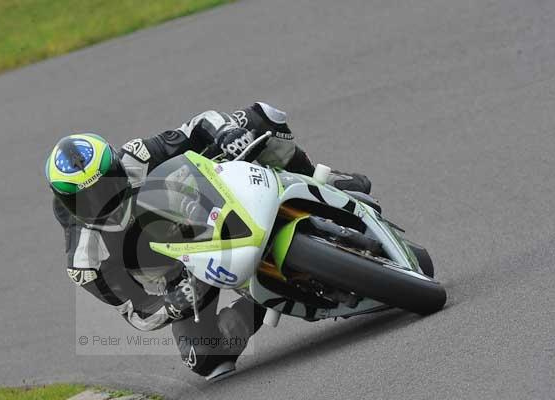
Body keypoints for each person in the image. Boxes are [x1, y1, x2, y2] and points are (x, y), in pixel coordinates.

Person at [45, 102, 371, 380]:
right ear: (67, 203)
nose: (102, 201)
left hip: (204, 206)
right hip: (181, 275)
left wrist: (225, 134)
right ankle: (260, 299)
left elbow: (198, 124)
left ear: (116, 164)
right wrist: (170, 305)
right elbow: (135, 311)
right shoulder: (84, 259)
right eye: (86, 200)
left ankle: (319, 180)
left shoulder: (138, 156)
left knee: (261, 117)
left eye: (106, 185)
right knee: (205, 358)